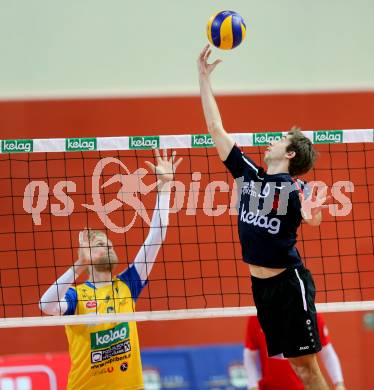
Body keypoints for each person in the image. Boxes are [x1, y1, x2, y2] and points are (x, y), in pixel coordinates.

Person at [197, 44, 331, 389]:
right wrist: (203, 79)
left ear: (288, 153)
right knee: (295, 367)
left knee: (308, 369)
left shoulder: (293, 188)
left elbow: (310, 215)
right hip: (262, 286)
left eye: (280, 139)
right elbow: (215, 127)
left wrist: (311, 212)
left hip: (289, 284)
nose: (271, 140)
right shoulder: (249, 176)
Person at [39, 150, 182, 390]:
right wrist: (79, 266)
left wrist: (165, 187)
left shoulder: (129, 283)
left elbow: (157, 235)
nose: (108, 246)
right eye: (99, 245)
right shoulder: (77, 296)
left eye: (109, 243)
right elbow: (46, 306)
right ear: (86, 255)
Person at [244, 314, 346, 389]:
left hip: (304, 386)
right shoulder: (257, 317)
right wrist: (253, 385)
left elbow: (327, 352)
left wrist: (339, 383)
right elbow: (250, 355)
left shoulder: (311, 316)